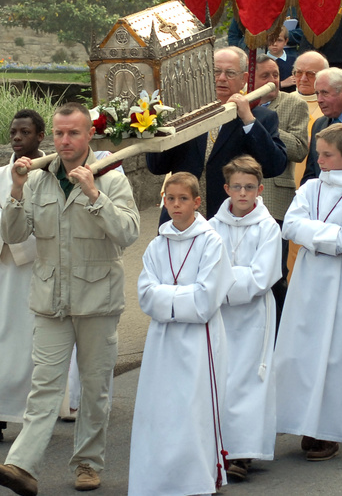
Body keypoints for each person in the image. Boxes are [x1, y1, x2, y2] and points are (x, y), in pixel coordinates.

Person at [0, 104, 141, 495]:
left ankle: (88, 464)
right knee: (44, 386)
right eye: (59, 133)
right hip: (50, 300)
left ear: (90, 135)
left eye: (73, 133)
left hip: (97, 301)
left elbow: (128, 233)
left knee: (94, 388)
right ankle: (21, 465)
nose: (65, 141)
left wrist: (93, 194)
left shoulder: (111, 178)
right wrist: (17, 190)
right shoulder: (38, 179)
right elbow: (15, 234)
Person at [129, 173, 234, 496]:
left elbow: (205, 301)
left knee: (192, 408)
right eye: (170, 199)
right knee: (159, 408)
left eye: (183, 199)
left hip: (198, 340)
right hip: (163, 341)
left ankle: (196, 478)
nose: (176, 205)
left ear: (197, 202)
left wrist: (167, 298)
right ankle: (157, 477)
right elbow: (145, 295)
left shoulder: (212, 242)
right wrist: (180, 297)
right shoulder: (156, 245)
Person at [275, 124, 342, 461]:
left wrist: (312, 233)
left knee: (333, 353)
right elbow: (289, 225)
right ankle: (302, 420)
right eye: (319, 153)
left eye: (327, 154)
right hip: (306, 277)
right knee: (300, 350)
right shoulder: (310, 188)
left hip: (338, 283)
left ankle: (329, 429)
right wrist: (327, 234)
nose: (319, 160)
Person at [146, 47, 287, 218]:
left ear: (244, 79)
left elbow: (274, 166)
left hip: (230, 221)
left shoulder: (260, 118)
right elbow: (156, 166)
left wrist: (248, 120)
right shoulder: (184, 112)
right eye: (216, 71)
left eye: (230, 73)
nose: (221, 78)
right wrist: (158, 123)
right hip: (180, 220)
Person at [209, 156, 281, 480]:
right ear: (226, 189)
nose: (242, 193)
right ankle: (220, 448)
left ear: (259, 189)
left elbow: (261, 277)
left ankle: (243, 453)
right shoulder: (212, 227)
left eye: (249, 188)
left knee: (249, 380)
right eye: (236, 187)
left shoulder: (268, 227)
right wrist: (224, 284)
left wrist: (224, 283)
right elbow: (206, 269)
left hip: (254, 317)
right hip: (221, 316)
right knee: (223, 379)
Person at [0, 109, 46, 444]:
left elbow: (52, 222)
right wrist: (12, 223)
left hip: (37, 270)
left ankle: (38, 419)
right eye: (13, 132)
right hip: (5, 271)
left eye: (25, 132)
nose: (17, 138)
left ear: (40, 137)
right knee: (1, 344)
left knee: (37, 346)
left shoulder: (52, 172)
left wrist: (19, 225)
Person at [252, 54, 310, 224]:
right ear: (248, 80)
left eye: (276, 75)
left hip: (275, 202)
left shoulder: (294, 103)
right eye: (265, 76)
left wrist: (261, 123)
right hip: (238, 201)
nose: (273, 81)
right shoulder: (236, 105)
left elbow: (299, 150)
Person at [290, 51, 328, 183]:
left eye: (311, 74)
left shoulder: (332, 106)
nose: (303, 78)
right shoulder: (283, 102)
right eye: (298, 73)